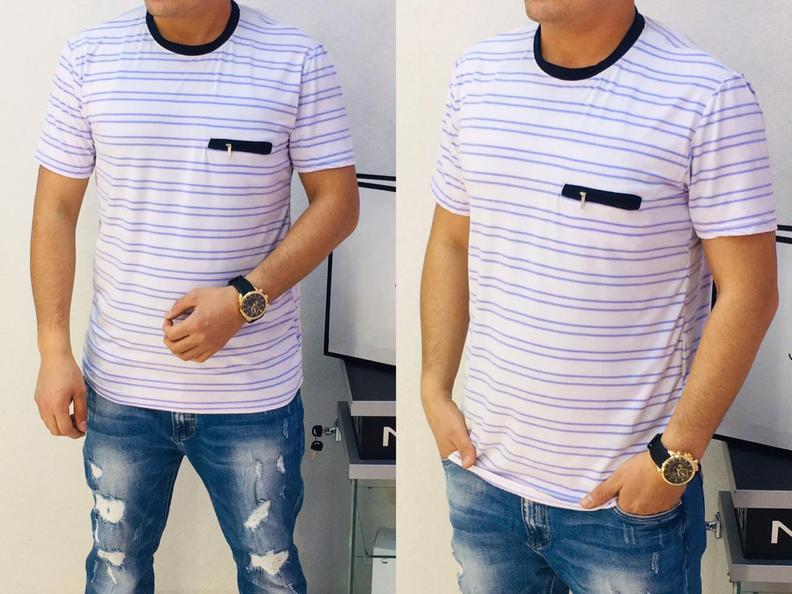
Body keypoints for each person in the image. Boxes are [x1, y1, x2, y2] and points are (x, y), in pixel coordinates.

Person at [420, 0, 778, 592]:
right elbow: (451, 240)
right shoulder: (477, 74)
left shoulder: (707, 95)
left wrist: (673, 459)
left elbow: (751, 293)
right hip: (483, 479)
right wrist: (434, 388)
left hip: (623, 507)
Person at [30, 1, 359, 592]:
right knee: (115, 571)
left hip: (253, 394)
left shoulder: (296, 60)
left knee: (271, 573)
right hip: (122, 389)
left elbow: (338, 204)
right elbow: (56, 208)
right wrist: (53, 350)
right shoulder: (89, 58)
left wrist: (241, 301)